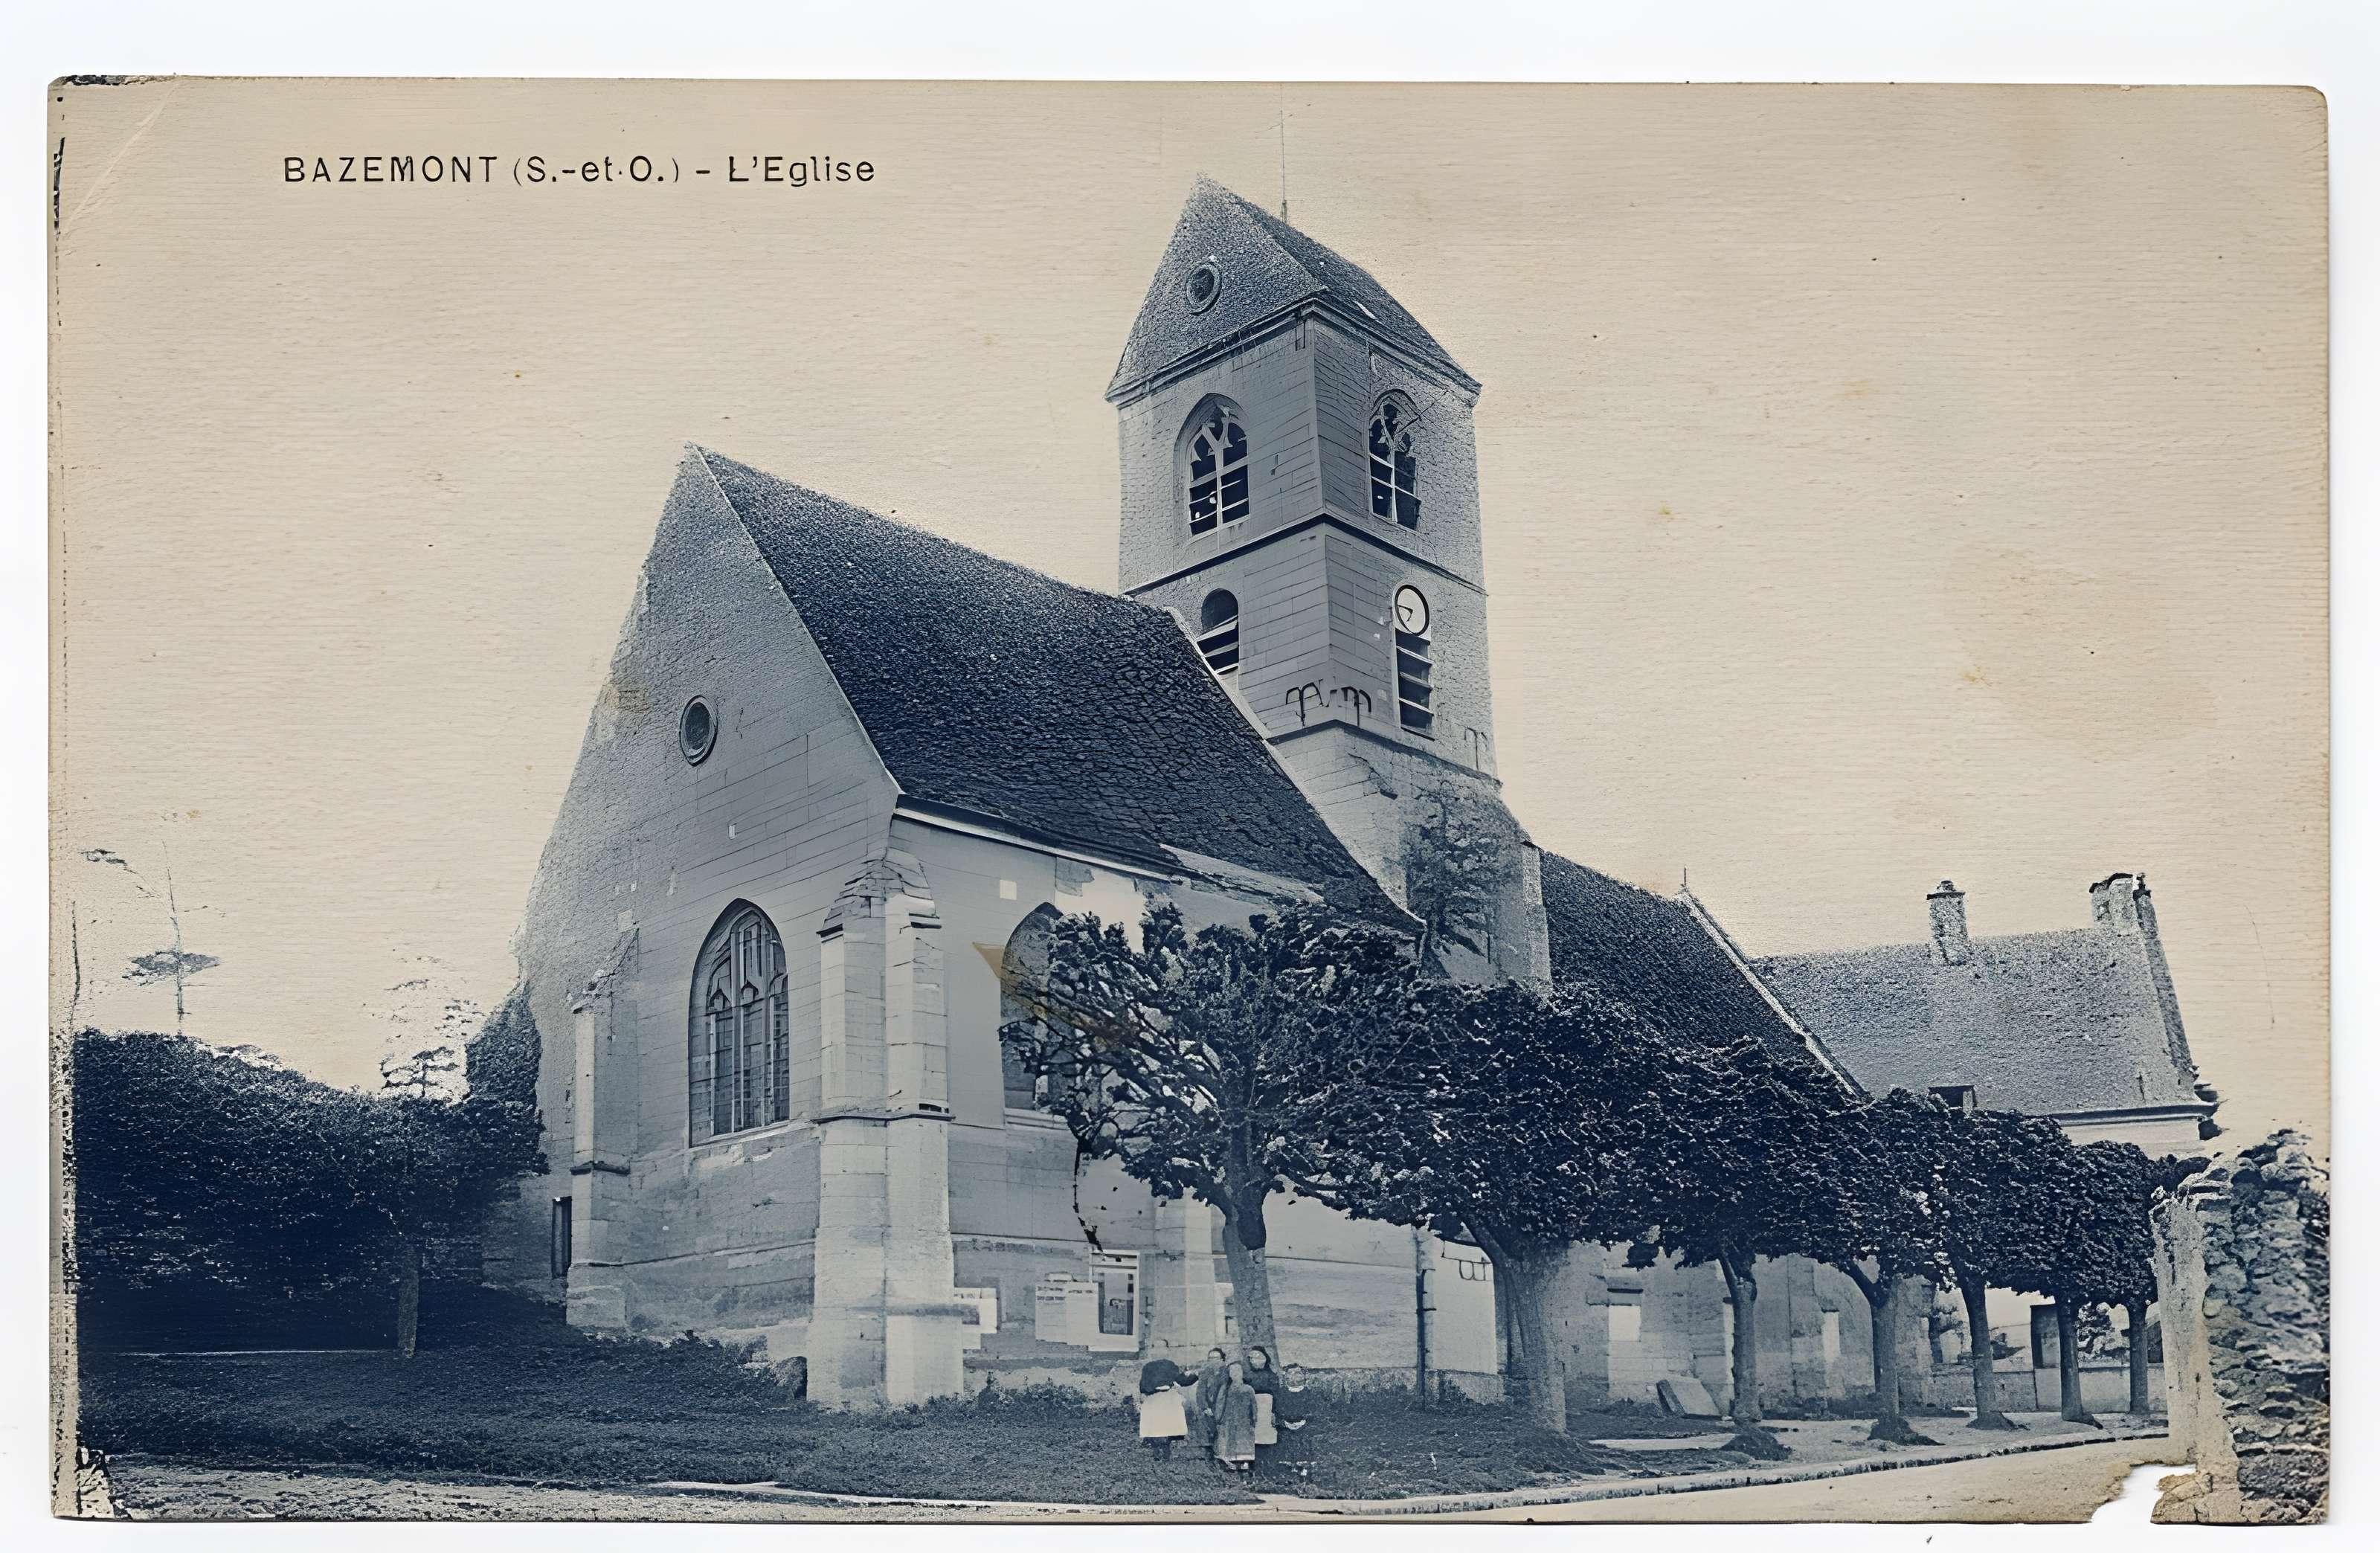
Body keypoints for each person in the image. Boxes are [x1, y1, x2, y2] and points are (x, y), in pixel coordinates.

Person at [1136, 1342, 1188, 1460]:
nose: (1160, 1351)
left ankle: (1166, 1451)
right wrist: (1148, 1393)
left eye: (1163, 1348)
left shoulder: (1171, 1366)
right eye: (1156, 1347)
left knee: (1168, 1426)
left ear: (1167, 1350)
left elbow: (1178, 1381)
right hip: (1153, 1398)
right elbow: (1143, 1385)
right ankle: (1156, 1452)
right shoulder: (1148, 1367)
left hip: (1168, 1398)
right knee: (1154, 1426)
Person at [1267, 1363, 1318, 1482]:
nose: (1294, 1376)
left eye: (1298, 1373)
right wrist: (1284, 1423)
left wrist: (1304, 1422)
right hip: (1285, 1432)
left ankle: (1305, 1479)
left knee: (1304, 1457)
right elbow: (1274, 1413)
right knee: (1285, 1458)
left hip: (1305, 1431)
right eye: (1291, 1373)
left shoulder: (1309, 1394)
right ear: (1286, 1376)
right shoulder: (1280, 1394)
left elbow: (1315, 1413)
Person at [1213, 1360, 1258, 1473]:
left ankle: (1245, 1469)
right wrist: (1219, 1419)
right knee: (1230, 1444)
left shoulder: (1248, 1389)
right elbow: (1220, 1404)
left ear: (1243, 1372)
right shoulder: (1225, 1388)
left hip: (1245, 1421)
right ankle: (1231, 1469)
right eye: (1232, 1371)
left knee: (1245, 1444)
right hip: (1229, 1421)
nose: (1235, 1373)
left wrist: (1254, 1420)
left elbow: (1254, 1407)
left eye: (1238, 1370)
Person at [1187, 1345, 1229, 1459]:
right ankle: (1212, 1455)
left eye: (1216, 1358)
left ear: (1222, 1360)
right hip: (1210, 1408)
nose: (1213, 1361)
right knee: (1211, 1431)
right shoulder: (1205, 1374)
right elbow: (1200, 1392)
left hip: (1225, 1407)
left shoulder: (1228, 1373)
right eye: (1210, 1358)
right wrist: (1205, 1407)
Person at [1244, 1344, 1280, 1457]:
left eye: (1258, 1357)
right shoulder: (1246, 1376)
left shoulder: (1271, 1375)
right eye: (1252, 1358)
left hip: (1267, 1409)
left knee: (1267, 1438)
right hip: (1252, 1408)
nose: (1254, 1360)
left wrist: (1275, 1412)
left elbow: (1277, 1395)